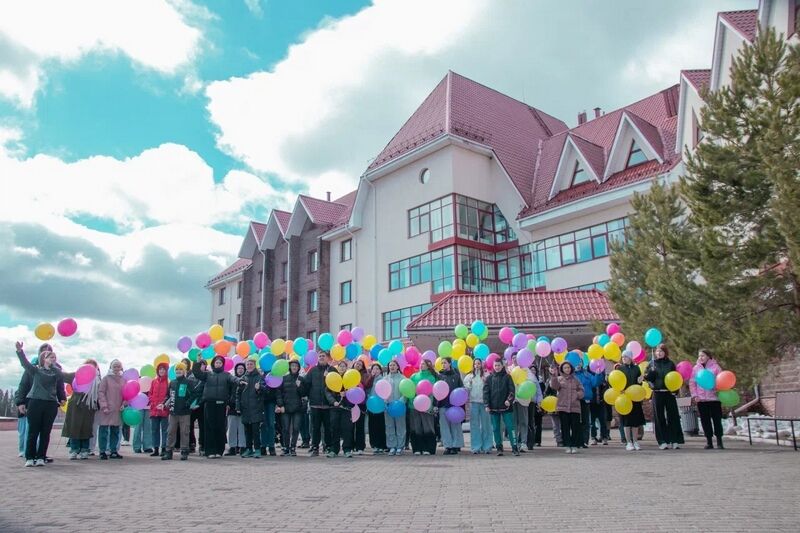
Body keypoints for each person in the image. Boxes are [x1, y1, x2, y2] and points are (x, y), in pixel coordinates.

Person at [15, 342, 69, 467]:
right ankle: (29, 457)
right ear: (43, 359)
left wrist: (62, 398)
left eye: (54, 357)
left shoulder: (56, 372)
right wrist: (19, 351)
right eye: (50, 357)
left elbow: (63, 381)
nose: (53, 359)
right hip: (35, 402)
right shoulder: (35, 370)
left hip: (50, 404)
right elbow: (24, 363)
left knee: (45, 432)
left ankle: (41, 457)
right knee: (33, 431)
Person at [192, 355, 235, 458]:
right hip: (209, 403)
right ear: (213, 364)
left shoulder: (226, 375)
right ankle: (210, 451)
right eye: (217, 362)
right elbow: (197, 373)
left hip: (221, 403)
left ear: (222, 364)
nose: (218, 364)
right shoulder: (207, 374)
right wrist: (197, 363)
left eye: (220, 363)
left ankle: (219, 451)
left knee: (220, 427)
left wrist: (240, 380)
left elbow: (233, 379)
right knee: (209, 427)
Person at [645, 344, 684, 450]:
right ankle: (662, 441)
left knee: (673, 416)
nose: (659, 353)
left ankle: (675, 440)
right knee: (659, 417)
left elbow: (675, 378)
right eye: (657, 351)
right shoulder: (652, 364)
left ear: (665, 352)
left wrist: (675, 390)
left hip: (669, 393)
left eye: (661, 351)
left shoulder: (670, 364)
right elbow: (647, 379)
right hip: (657, 393)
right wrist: (650, 376)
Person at [62, 359, 100, 460]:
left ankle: (84, 449)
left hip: (89, 405)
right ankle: (74, 449)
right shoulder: (76, 375)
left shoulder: (97, 380)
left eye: (93, 367)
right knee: (74, 426)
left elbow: (100, 393)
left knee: (86, 428)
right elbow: (62, 376)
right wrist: (53, 366)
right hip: (75, 404)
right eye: (88, 366)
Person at [689, 349, 725, 450]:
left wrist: (718, 390)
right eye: (699, 356)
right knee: (705, 421)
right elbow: (692, 383)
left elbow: (721, 380)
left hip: (714, 399)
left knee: (717, 420)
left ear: (709, 356)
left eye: (703, 356)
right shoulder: (696, 368)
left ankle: (719, 441)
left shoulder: (716, 367)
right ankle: (709, 441)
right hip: (701, 400)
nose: (701, 358)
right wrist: (695, 395)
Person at [483, 358, 519, 456]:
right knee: (496, 428)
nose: (497, 367)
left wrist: (509, 400)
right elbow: (486, 392)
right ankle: (499, 447)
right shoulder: (489, 378)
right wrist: (486, 404)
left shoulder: (508, 377)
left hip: (506, 408)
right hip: (493, 408)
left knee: (510, 427)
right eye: (495, 365)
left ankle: (515, 447)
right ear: (493, 367)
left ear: (502, 366)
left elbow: (512, 391)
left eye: (499, 365)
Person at [301, 351, 332, 456]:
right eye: (320, 356)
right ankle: (315, 448)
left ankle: (327, 447)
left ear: (327, 358)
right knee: (315, 428)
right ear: (317, 358)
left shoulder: (332, 370)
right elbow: (305, 384)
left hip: (328, 405)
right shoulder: (312, 370)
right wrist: (300, 387)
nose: (322, 358)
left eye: (324, 356)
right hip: (315, 404)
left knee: (328, 428)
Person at [162, 362, 195, 461]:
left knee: (184, 432)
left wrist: (188, 404)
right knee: (170, 431)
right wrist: (165, 403)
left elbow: (193, 395)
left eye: (180, 369)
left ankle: (184, 451)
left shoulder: (189, 382)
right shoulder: (172, 382)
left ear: (184, 371)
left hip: (185, 412)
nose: (178, 371)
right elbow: (168, 396)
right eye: (177, 370)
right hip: (173, 412)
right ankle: (168, 451)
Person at [551, 361, 584, 454]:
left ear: (571, 369)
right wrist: (554, 376)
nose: (567, 369)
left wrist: (577, 395)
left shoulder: (576, 379)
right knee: (565, 427)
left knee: (575, 427)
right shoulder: (559, 379)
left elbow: (582, 390)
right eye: (565, 368)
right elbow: (554, 386)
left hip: (575, 407)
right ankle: (568, 445)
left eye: (568, 367)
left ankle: (574, 445)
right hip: (563, 407)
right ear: (562, 369)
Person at [326, 361, 354, 458]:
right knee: (334, 428)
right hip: (334, 407)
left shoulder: (350, 378)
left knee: (347, 429)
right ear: (337, 368)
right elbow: (328, 392)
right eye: (340, 366)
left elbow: (355, 392)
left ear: (346, 368)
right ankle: (334, 449)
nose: (342, 368)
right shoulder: (333, 378)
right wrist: (333, 401)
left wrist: (347, 394)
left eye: (344, 366)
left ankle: (347, 449)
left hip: (346, 408)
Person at [98, 359, 125, 460]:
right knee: (104, 430)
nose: (117, 368)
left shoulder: (123, 379)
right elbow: (101, 392)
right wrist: (104, 406)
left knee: (115, 430)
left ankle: (113, 451)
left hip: (118, 409)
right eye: (115, 366)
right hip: (107, 409)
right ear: (111, 367)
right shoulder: (106, 379)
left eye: (118, 366)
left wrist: (124, 404)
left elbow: (126, 394)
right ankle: (102, 451)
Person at [276, 360, 304, 456]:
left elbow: (304, 394)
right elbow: (278, 393)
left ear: (298, 367)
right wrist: (281, 405)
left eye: (296, 366)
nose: (294, 367)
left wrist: (300, 387)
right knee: (285, 429)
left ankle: (293, 447)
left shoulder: (301, 379)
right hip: (286, 408)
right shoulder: (284, 378)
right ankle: (286, 448)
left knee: (296, 428)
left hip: (298, 408)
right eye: (292, 366)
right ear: (290, 367)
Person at [436, 357, 464, 455]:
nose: (443, 365)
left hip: (455, 405)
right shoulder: (439, 376)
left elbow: (461, 389)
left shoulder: (456, 376)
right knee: (444, 426)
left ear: (449, 364)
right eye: (442, 363)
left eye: (445, 363)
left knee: (455, 426)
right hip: (443, 405)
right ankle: (448, 446)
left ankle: (456, 446)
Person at [464, 358, 492, 454]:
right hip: (473, 402)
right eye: (475, 364)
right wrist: (469, 383)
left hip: (484, 403)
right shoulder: (469, 377)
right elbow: (466, 389)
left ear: (481, 365)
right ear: (473, 365)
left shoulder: (487, 376)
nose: (477, 365)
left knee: (486, 425)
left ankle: (487, 446)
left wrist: (485, 382)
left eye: (479, 363)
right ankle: (476, 447)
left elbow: (490, 388)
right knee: (474, 425)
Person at [409, 360, 437, 455]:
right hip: (414, 405)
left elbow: (432, 393)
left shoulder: (431, 378)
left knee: (428, 427)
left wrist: (430, 405)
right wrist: (413, 401)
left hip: (427, 406)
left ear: (428, 366)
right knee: (416, 427)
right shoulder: (414, 376)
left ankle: (429, 448)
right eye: (420, 364)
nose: (421, 365)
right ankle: (417, 448)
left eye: (424, 364)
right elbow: (410, 390)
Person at [238, 358, 264, 458]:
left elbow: (265, 391)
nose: (249, 366)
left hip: (256, 408)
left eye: (251, 364)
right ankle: (249, 449)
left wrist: (259, 388)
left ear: (254, 365)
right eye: (248, 364)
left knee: (255, 431)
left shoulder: (259, 377)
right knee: (247, 431)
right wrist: (238, 407)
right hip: (245, 408)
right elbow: (238, 394)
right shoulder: (243, 378)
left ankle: (257, 450)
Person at [619, 353, 645, 451]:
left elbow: (639, 383)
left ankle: (635, 441)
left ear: (630, 358)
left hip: (635, 397)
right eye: (622, 357)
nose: (624, 358)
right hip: (624, 398)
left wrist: (640, 381)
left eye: (625, 356)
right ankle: (628, 442)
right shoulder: (620, 369)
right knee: (626, 421)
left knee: (635, 421)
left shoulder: (636, 368)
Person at [382, 360, 406, 456]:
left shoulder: (403, 378)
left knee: (400, 426)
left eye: (394, 365)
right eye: (390, 365)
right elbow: (381, 392)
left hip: (399, 407)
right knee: (389, 426)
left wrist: (401, 402)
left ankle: (400, 447)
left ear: (397, 366)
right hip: (388, 407)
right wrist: (385, 402)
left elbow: (406, 392)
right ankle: (392, 446)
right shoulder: (385, 379)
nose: (392, 367)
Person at [147, 362, 170, 457]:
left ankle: (164, 448)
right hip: (154, 410)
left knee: (165, 430)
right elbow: (150, 394)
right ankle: (155, 449)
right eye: (160, 369)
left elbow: (168, 396)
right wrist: (154, 403)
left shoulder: (168, 383)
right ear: (157, 371)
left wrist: (163, 404)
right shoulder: (154, 382)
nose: (161, 371)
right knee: (154, 430)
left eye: (163, 369)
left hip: (164, 410)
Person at [364, 363, 387, 455]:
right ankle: (374, 445)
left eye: (377, 369)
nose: (375, 370)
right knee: (372, 426)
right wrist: (371, 377)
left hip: (381, 406)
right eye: (374, 369)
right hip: (371, 405)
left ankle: (382, 445)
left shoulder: (383, 380)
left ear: (380, 371)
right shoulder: (370, 379)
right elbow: (366, 388)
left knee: (380, 425)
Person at [225, 362, 247, 456]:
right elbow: (227, 392)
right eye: (239, 368)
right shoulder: (231, 380)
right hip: (232, 406)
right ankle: (232, 447)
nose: (240, 370)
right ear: (236, 370)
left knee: (242, 428)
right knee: (232, 428)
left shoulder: (247, 380)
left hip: (244, 407)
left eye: (242, 368)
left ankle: (242, 447)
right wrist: (228, 403)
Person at [588, 364, 609, 445]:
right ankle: (593, 437)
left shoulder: (602, 377)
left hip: (601, 402)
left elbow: (606, 389)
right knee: (592, 422)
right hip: (591, 403)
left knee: (603, 420)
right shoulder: (589, 377)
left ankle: (604, 437)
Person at [352, 359, 368, 455]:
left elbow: (367, 385)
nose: (358, 365)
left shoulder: (365, 376)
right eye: (357, 363)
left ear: (362, 367)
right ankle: (351, 446)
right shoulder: (348, 373)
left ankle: (360, 446)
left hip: (361, 404)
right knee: (350, 426)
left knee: (360, 426)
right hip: (350, 403)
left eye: (360, 364)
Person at [544, 365, 563, 447]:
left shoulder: (562, 379)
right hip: (552, 405)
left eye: (555, 369)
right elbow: (546, 392)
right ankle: (559, 440)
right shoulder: (549, 380)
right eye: (551, 369)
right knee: (556, 425)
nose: (553, 371)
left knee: (563, 423)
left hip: (562, 404)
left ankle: (564, 438)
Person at [527, 364, 544, 449]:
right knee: (523, 422)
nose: (532, 371)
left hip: (532, 402)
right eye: (531, 369)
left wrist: (539, 402)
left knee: (531, 422)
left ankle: (531, 442)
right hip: (522, 401)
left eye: (534, 370)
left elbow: (539, 391)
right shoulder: (523, 375)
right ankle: (522, 440)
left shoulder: (535, 379)